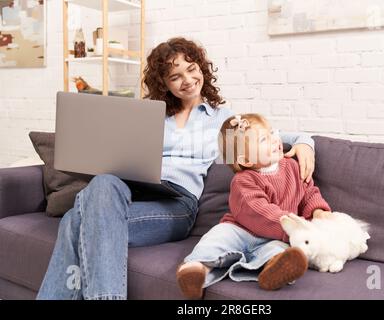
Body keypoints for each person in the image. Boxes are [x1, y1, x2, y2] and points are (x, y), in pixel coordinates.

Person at [37, 37, 316, 300]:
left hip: (177, 204)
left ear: (201, 69)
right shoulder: (152, 116)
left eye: (191, 70)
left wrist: (305, 144)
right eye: (175, 76)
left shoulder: (223, 120)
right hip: (132, 193)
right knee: (103, 182)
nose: (187, 80)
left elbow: (275, 136)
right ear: (165, 84)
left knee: (74, 220)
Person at [176, 113, 333, 299]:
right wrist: (291, 226)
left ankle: (273, 269)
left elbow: (309, 192)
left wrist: (317, 210)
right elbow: (259, 210)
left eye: (272, 132)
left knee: (281, 251)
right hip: (241, 230)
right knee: (217, 238)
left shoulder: (292, 166)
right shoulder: (243, 181)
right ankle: (196, 269)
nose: (275, 139)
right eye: (264, 139)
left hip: (277, 237)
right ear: (246, 161)